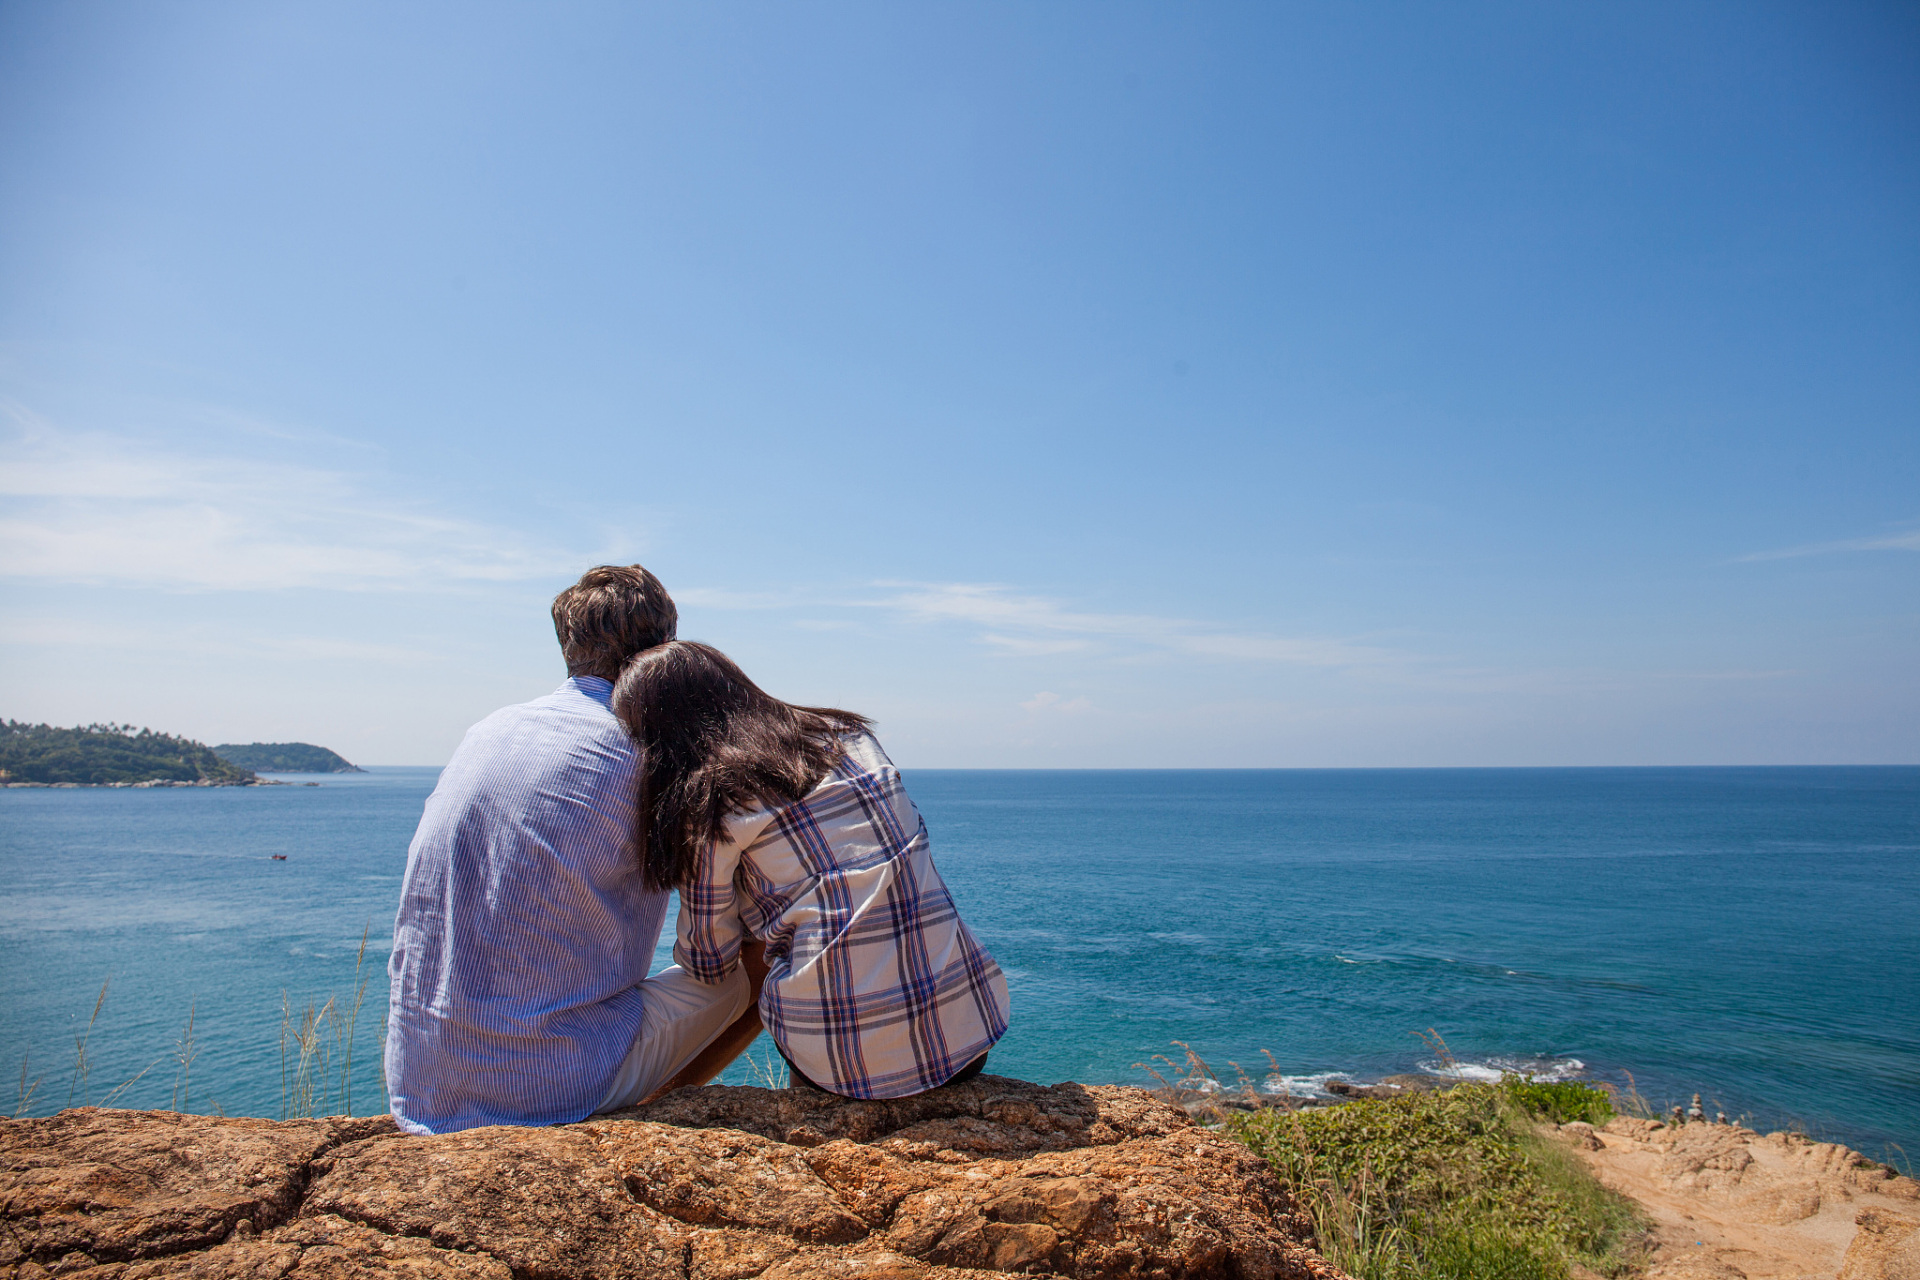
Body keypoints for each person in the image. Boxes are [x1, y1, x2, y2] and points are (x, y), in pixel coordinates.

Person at [385, 566, 766, 1135]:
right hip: (547, 1083)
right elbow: (719, 938)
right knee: (761, 961)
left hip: (424, 1081)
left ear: (567, 645)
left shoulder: (491, 729)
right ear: (667, 647)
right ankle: (641, 1117)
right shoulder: (653, 752)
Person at [612, 640, 1009, 1099]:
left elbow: (708, 961)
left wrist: (753, 911)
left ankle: (664, 1103)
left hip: (845, 1071)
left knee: (771, 954)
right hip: (971, 1027)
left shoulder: (708, 801)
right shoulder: (850, 735)